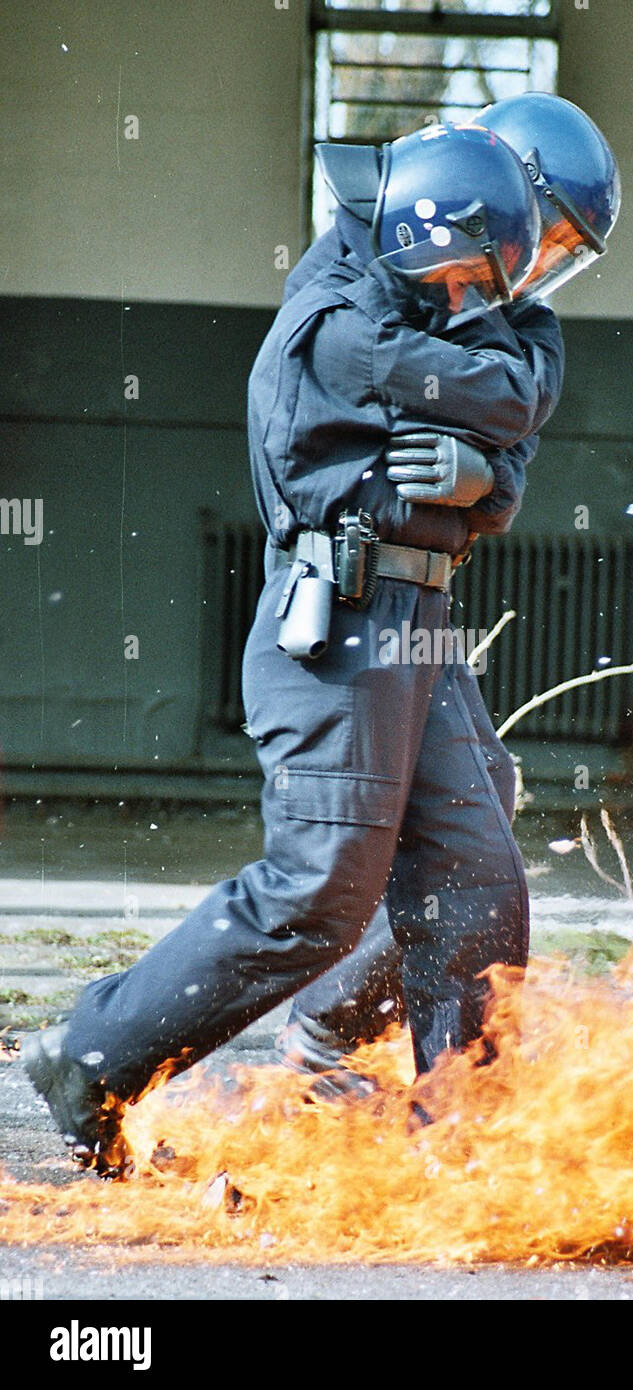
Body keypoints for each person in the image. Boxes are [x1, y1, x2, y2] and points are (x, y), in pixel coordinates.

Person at [22, 122, 553, 1175]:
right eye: (457, 276)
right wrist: (489, 411)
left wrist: (486, 479)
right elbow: (508, 385)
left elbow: (519, 392)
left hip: (421, 628)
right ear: (410, 236)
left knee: (477, 877)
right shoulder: (337, 315)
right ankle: (92, 1056)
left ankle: (467, 1145)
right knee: (320, 891)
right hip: (338, 621)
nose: (472, 300)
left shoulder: (412, 297)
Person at [275, 93, 621, 1093]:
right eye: (540, 234)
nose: (537, 266)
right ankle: (327, 1029)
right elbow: (352, 388)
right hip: (348, 585)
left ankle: (383, 1050)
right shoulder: (378, 273)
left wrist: (488, 482)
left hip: (423, 592)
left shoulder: (518, 319)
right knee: (378, 844)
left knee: (480, 809)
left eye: (560, 250)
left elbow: (516, 425)